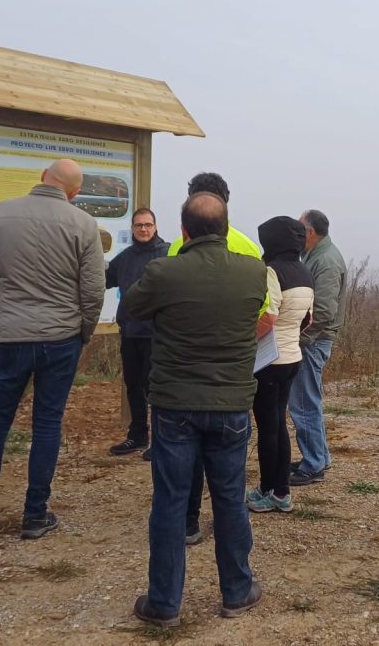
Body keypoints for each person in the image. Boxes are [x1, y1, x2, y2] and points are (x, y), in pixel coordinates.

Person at [125, 192, 267, 627]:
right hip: (231, 405)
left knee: (170, 502)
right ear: (226, 229)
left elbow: (131, 307)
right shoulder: (254, 272)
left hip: (175, 405)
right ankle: (237, 592)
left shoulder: (164, 271)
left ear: (183, 231)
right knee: (229, 498)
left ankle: (164, 604)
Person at [0, 159, 105, 540]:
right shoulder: (84, 225)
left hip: (11, 337)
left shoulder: (0, 215)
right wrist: (83, 333)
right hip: (61, 339)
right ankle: (36, 514)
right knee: (47, 424)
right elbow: (92, 293)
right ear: (73, 192)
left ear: (42, 178)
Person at [167, 172, 263, 545]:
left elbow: (160, 311)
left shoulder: (177, 247)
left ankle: (188, 523)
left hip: (183, 381)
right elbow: (265, 311)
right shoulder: (250, 250)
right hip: (232, 380)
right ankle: (234, 567)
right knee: (228, 475)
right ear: (226, 204)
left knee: (182, 465)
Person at [246, 217, 314, 514]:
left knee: (267, 428)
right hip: (292, 358)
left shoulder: (272, 271)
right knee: (279, 425)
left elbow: (269, 315)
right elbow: (308, 319)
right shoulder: (305, 272)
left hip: (269, 360)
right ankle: (282, 491)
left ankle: (266, 490)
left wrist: (249, 340)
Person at [287, 209, 346, 486]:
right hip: (310, 340)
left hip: (312, 342)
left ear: (310, 232)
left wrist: (299, 339)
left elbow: (323, 311)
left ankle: (312, 466)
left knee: (303, 403)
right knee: (308, 401)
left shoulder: (327, 261)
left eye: (300, 229)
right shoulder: (315, 255)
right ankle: (318, 457)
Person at [106, 207, 168, 459]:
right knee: (134, 386)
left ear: (155, 226)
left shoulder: (167, 255)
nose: (143, 229)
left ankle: (160, 441)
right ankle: (138, 435)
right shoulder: (125, 258)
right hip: (130, 332)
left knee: (157, 390)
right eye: (138, 225)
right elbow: (101, 279)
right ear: (132, 228)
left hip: (158, 334)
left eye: (148, 225)